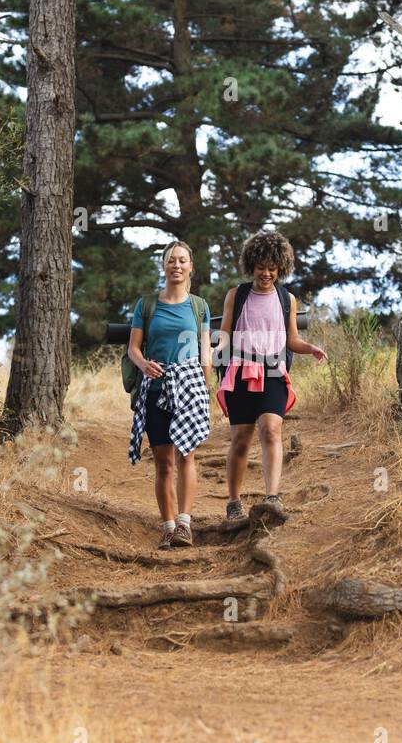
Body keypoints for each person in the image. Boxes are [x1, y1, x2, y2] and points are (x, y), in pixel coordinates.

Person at [215, 230, 326, 521]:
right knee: (241, 438)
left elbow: (292, 339)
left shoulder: (286, 299)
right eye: (261, 267)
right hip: (240, 371)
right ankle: (233, 502)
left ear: (281, 269)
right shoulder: (236, 295)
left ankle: (272, 497)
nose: (266, 273)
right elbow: (224, 334)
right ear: (251, 266)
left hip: (274, 372)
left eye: (272, 269)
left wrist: (311, 348)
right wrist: (212, 350)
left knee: (271, 429)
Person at [126, 241, 213, 549]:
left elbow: (205, 353)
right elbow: (133, 348)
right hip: (156, 389)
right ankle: (167, 526)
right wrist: (143, 364)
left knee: (187, 454)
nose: (177, 265)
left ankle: (185, 525)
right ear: (163, 266)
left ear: (190, 267)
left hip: (190, 388)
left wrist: (207, 389)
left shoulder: (199, 306)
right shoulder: (147, 305)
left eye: (182, 261)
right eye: (171, 260)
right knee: (163, 462)